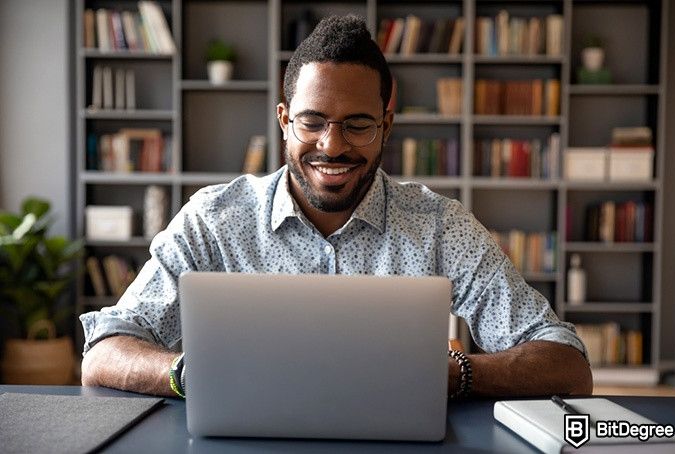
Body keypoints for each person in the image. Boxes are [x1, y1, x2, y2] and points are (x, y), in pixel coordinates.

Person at [80, 15, 592, 398]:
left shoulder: (440, 226)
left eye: (357, 124)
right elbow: (104, 351)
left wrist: (458, 374)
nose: (331, 145)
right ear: (284, 120)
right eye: (312, 121)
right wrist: (190, 374)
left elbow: (567, 364)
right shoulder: (213, 221)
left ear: (386, 125)